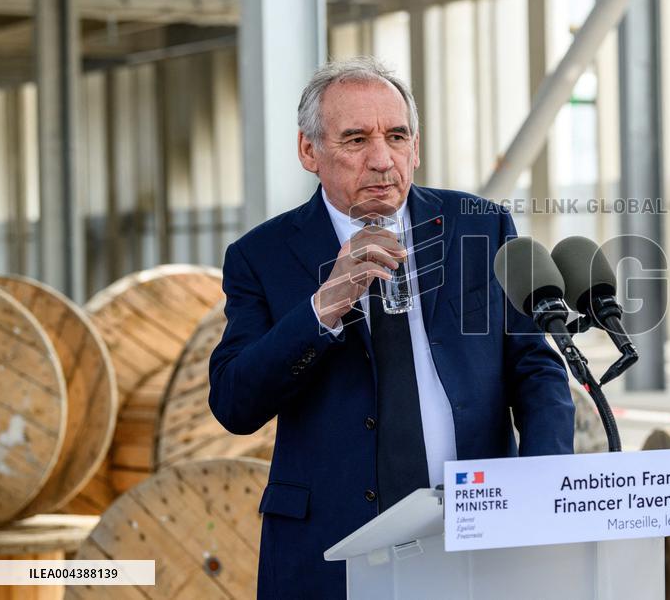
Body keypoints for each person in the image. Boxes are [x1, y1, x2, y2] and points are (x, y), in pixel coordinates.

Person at [208, 56, 575, 598]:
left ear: (416, 146)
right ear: (310, 151)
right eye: (355, 140)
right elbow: (236, 403)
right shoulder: (260, 256)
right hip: (331, 548)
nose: (382, 160)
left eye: (396, 136)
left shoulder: (480, 226)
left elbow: (535, 367)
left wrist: (540, 484)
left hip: (475, 534)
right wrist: (321, 309)